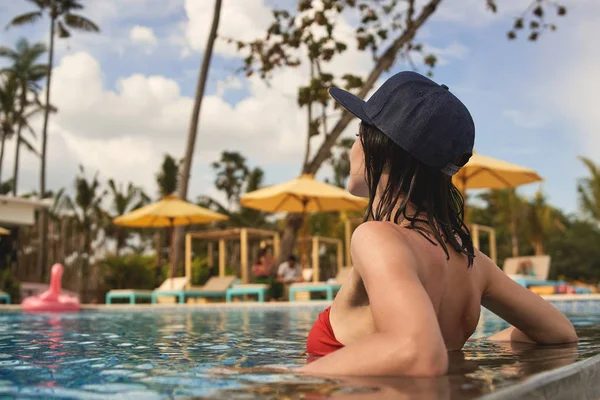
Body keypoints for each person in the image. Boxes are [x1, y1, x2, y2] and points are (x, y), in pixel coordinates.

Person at [300, 71, 577, 378]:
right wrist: (474, 350)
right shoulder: (473, 263)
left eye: (357, 137)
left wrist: (280, 382)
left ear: (380, 148)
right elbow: (559, 332)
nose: (350, 150)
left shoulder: (377, 238)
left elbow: (417, 353)